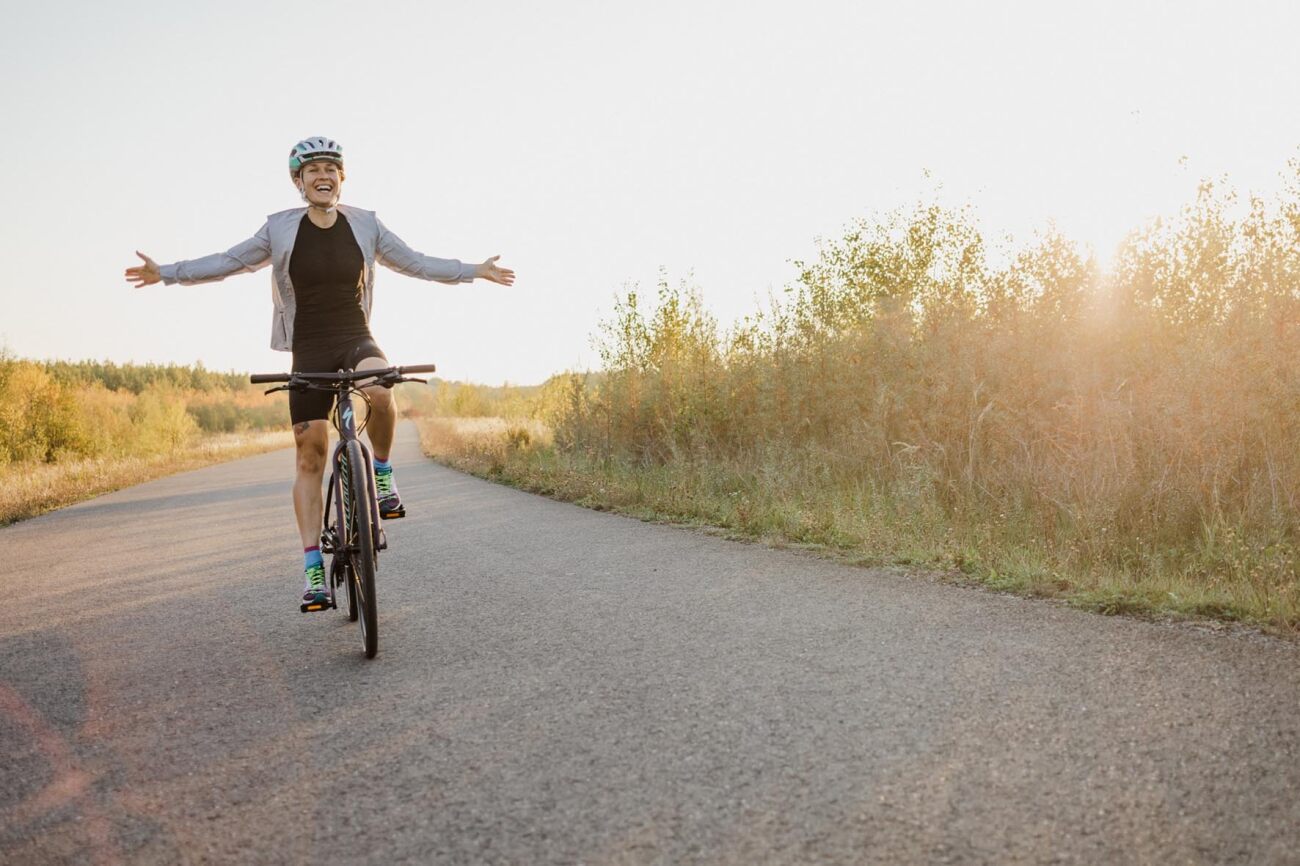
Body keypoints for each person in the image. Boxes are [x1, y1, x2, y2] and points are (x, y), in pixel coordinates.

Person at [124, 136, 515, 609]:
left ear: (342, 178)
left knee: (382, 388)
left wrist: (475, 269)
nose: (322, 175)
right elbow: (227, 262)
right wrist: (165, 272)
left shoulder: (366, 225)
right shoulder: (279, 229)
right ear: (299, 181)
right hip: (307, 347)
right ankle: (313, 572)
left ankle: (384, 476)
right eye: (312, 170)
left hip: (355, 335)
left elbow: (415, 262)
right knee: (309, 454)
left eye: (331, 167)